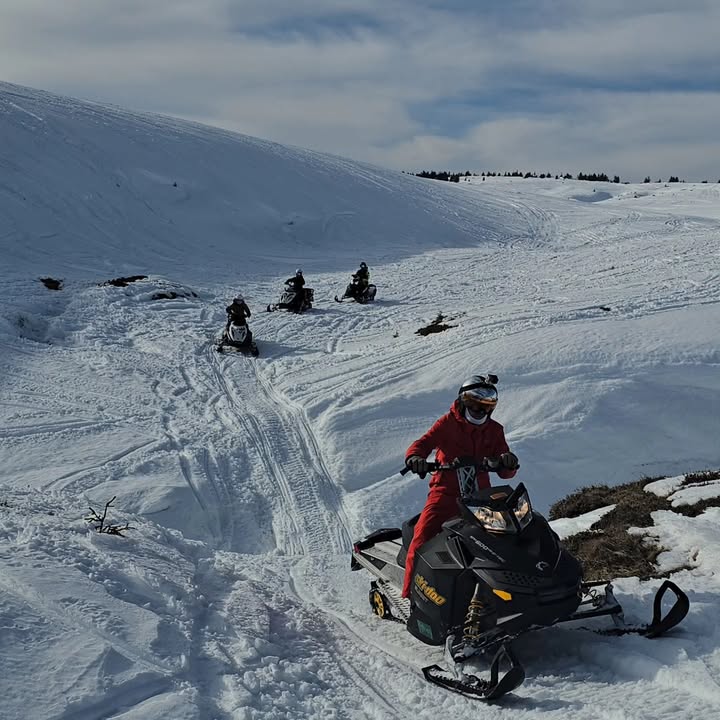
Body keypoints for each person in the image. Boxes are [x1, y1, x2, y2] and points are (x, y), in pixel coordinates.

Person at [401, 375, 519, 599]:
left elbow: (505, 470)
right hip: (446, 493)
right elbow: (423, 443)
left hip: (481, 497)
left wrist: (507, 462)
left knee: (502, 540)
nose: (479, 411)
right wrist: (415, 458)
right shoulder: (448, 423)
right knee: (423, 539)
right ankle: (412, 597)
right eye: (474, 404)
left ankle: (504, 594)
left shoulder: (494, 430)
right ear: (463, 401)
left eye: (486, 406)